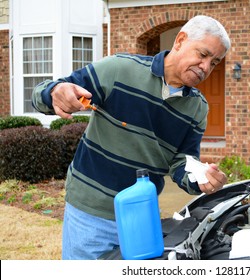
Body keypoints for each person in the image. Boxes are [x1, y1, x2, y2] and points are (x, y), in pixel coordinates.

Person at [32, 15, 231, 260]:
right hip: (91, 213)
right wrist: (54, 92)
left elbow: (182, 163)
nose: (205, 67)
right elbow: (47, 91)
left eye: (214, 62)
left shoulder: (198, 108)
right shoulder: (119, 69)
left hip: (142, 217)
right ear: (180, 41)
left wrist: (201, 179)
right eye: (203, 54)